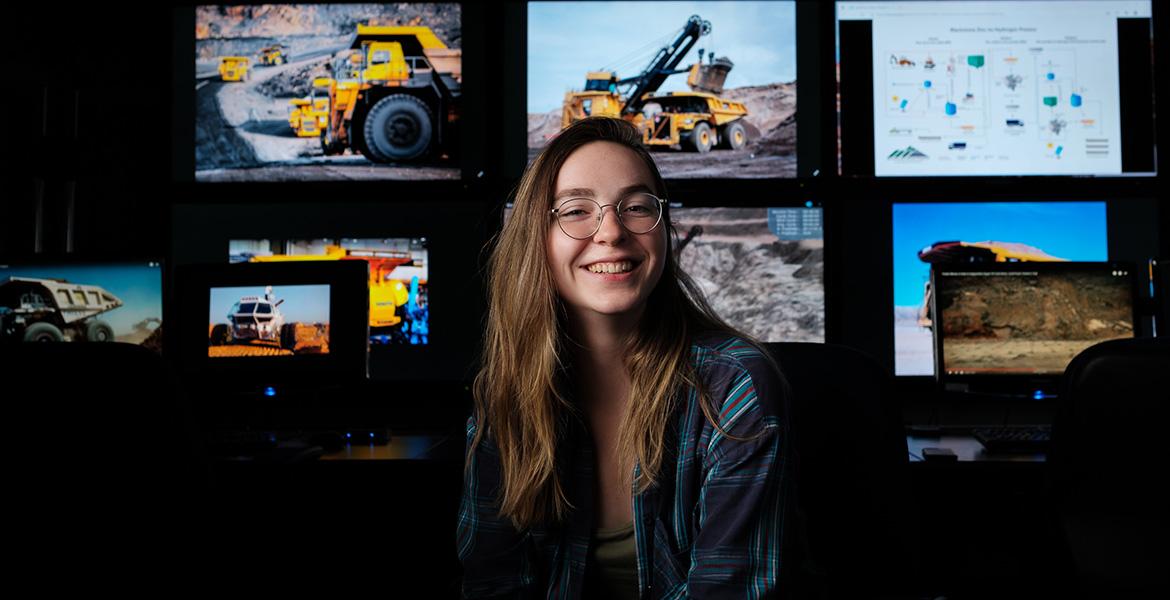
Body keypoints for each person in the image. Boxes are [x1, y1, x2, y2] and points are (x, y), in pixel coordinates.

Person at [457, 117, 794, 599]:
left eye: (636, 207)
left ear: (663, 230)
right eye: (575, 210)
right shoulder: (505, 390)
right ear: (537, 239)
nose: (611, 232)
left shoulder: (736, 388)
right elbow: (492, 584)